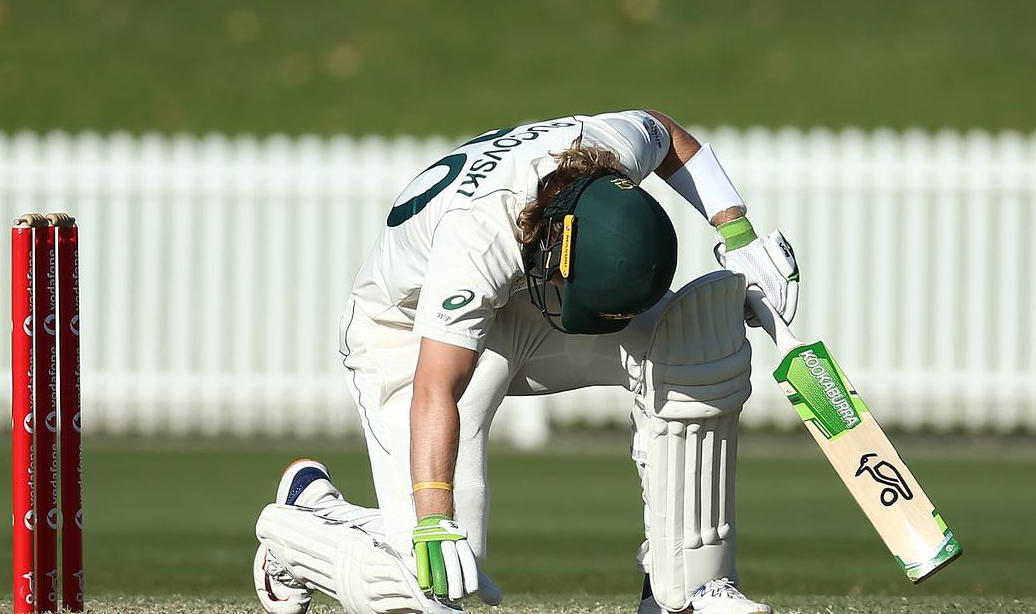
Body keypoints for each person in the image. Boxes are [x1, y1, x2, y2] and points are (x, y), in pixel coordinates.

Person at [253, 111, 799, 614]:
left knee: (693, 339)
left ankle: (684, 585)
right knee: (426, 585)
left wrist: (738, 235)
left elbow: (665, 130)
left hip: (517, 305)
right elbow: (435, 390)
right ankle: (304, 523)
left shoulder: (612, 148)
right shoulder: (475, 241)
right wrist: (435, 521)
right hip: (407, 336)